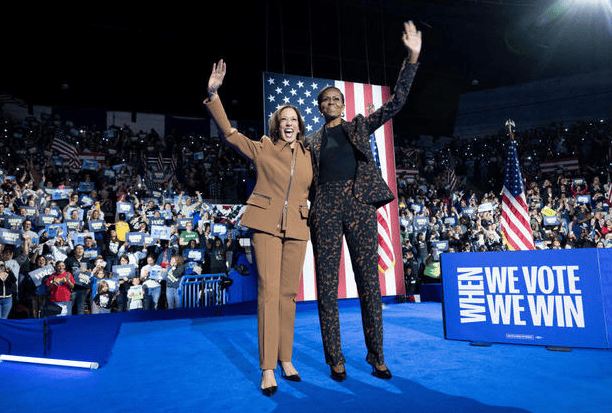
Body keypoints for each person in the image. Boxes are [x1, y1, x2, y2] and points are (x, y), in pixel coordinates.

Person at [305, 20, 421, 381]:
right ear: (320, 107)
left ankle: (377, 357)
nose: (332, 103)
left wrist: (412, 57)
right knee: (326, 287)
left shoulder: (358, 126)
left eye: (336, 99)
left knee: (369, 283)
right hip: (323, 208)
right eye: (326, 100)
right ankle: (335, 359)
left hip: (359, 206)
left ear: (342, 104)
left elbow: (397, 103)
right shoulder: (309, 142)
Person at [206, 59, 313, 396]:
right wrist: (213, 94)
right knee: (268, 294)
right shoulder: (264, 148)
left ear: (300, 124)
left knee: (288, 296)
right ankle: (268, 368)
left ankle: (286, 359)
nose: (289, 125)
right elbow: (230, 134)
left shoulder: (311, 154)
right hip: (264, 224)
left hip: (297, 225)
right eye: (284, 120)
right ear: (275, 124)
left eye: (294, 120)